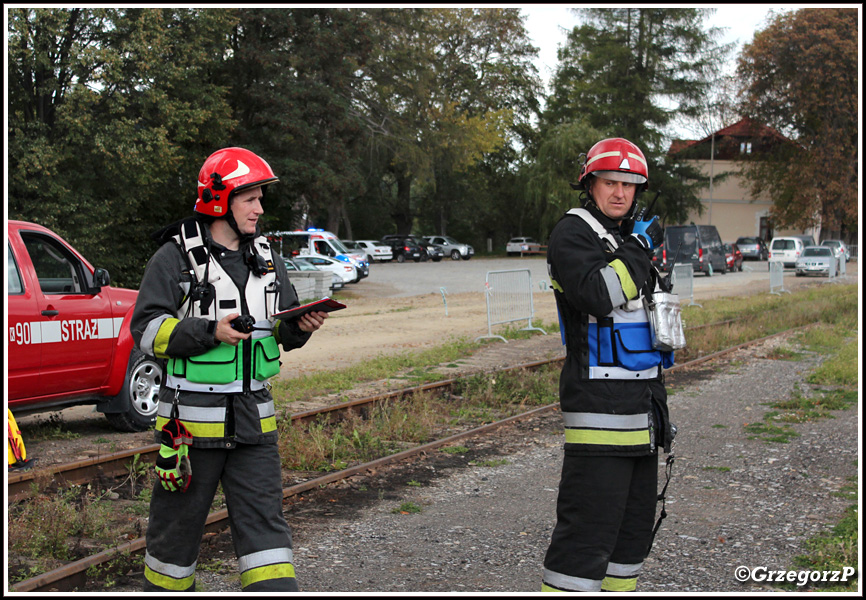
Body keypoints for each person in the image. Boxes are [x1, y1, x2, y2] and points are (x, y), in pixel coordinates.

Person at [131, 147, 328, 592]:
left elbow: (283, 330)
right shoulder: (175, 257)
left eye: (261, 199)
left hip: (255, 429)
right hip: (189, 434)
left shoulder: (268, 258)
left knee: (269, 545)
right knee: (173, 546)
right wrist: (208, 331)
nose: (260, 209)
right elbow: (145, 330)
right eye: (251, 199)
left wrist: (303, 327)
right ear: (220, 201)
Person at [541, 137, 675, 592]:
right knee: (583, 547)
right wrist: (638, 249)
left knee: (628, 546)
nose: (620, 193)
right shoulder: (573, 233)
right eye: (610, 182)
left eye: (630, 185)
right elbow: (597, 295)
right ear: (590, 184)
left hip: (642, 417)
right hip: (599, 417)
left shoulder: (625, 237)